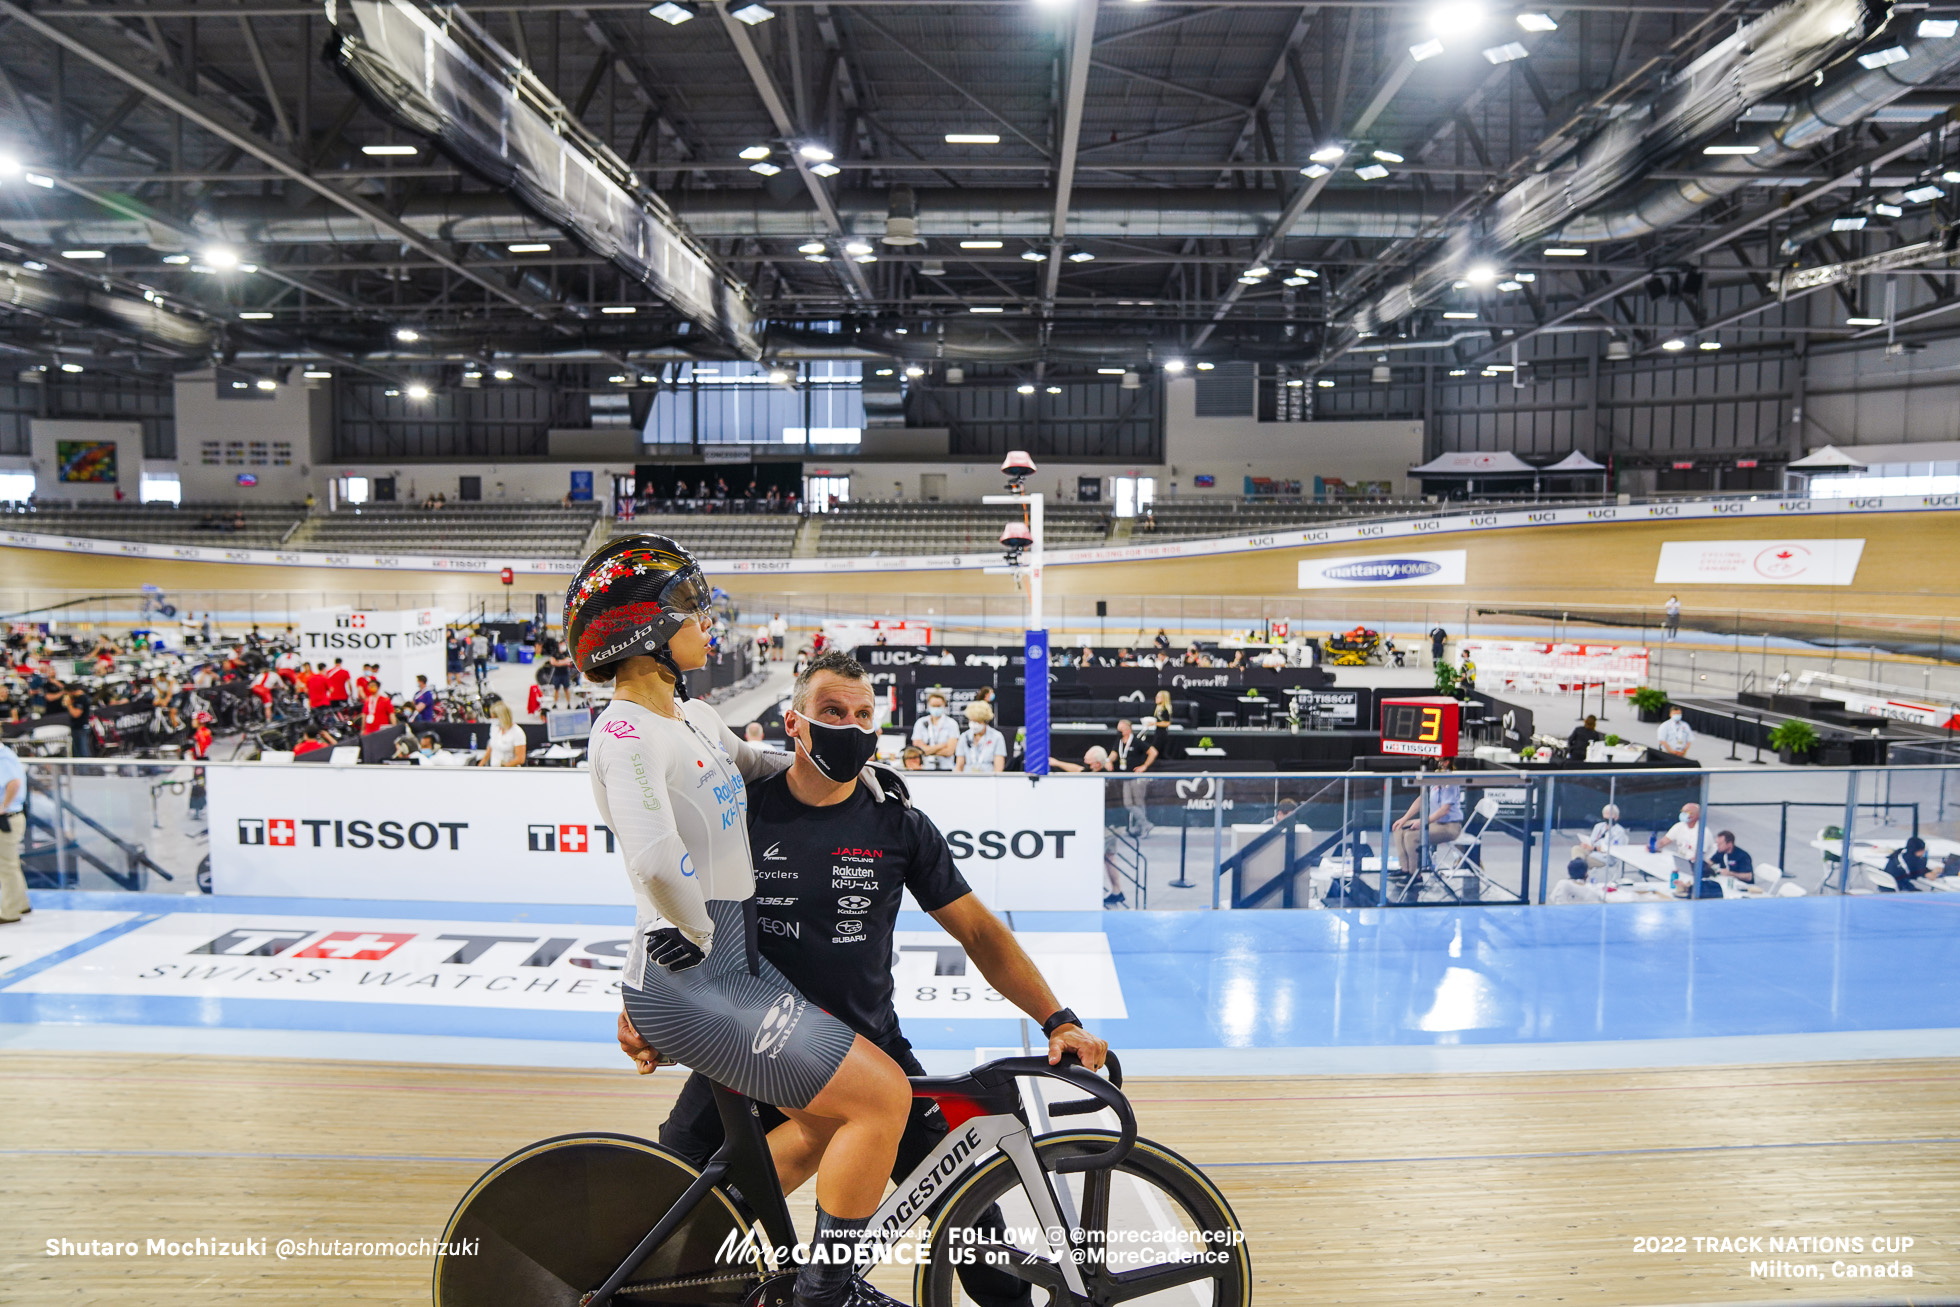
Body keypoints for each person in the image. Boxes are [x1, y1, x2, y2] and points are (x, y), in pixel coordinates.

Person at [635, 650, 1105, 1307]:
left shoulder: (898, 823)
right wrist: (649, 1004)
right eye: (832, 711)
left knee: (977, 1236)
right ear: (793, 723)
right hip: (746, 1053)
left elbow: (979, 932)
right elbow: (672, 906)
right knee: (656, 1224)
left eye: (863, 714)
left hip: (869, 1058)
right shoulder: (739, 810)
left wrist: (1058, 1017)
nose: (851, 727)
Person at [571, 536, 918, 1307]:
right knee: (882, 1096)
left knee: (835, 1118)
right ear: (642, 630)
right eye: (688, 609)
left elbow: (750, 761)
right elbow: (656, 861)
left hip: (722, 967)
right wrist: (694, 937)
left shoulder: (689, 713)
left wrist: (844, 766)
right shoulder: (623, 730)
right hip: (696, 978)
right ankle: (828, 1291)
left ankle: (696, 1254)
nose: (707, 621)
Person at [1392, 760, 1464, 877]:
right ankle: (1405, 869)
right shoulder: (1435, 780)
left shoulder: (1450, 782)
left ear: (1446, 762)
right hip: (1435, 823)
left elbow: (1445, 809)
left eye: (1439, 760)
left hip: (1450, 827)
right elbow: (1421, 799)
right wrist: (1404, 819)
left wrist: (1423, 822)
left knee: (1411, 836)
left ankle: (1415, 875)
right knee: (1399, 828)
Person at [0, 738, 27, 923]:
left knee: (6, 867)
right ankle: (21, 903)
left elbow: (14, 783)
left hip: (7, 818)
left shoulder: (3, 758)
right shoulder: (7, 755)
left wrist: (2, 807)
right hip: (12, 816)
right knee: (11, 864)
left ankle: (9, 912)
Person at [910, 691, 959, 770]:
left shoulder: (952, 724)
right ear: (928, 705)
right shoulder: (920, 723)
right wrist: (941, 746)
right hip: (925, 768)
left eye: (939, 706)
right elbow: (918, 751)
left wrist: (927, 750)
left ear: (944, 706)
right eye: (933, 706)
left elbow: (949, 751)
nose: (936, 708)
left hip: (946, 768)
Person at [954, 700, 1008, 773]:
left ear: (985, 721)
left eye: (977, 721)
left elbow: (998, 768)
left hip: (988, 778)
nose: (974, 724)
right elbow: (959, 766)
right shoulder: (964, 736)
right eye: (972, 721)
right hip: (967, 778)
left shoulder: (997, 737)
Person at [1575, 803, 1629, 873]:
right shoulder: (1599, 826)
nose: (1607, 817)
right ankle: (1577, 870)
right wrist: (1586, 845)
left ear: (1616, 817)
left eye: (1610, 815)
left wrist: (1594, 848)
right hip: (1592, 851)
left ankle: (1577, 873)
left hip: (1605, 858)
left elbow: (1613, 849)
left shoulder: (1619, 831)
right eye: (1605, 814)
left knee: (1582, 861)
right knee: (1576, 849)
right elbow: (1592, 840)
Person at [477, 699, 527, 767]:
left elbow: (520, 759)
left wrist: (504, 767)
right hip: (494, 769)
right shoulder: (494, 727)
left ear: (502, 717)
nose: (492, 719)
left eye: (494, 717)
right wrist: (480, 765)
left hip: (509, 771)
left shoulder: (517, 732)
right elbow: (491, 746)